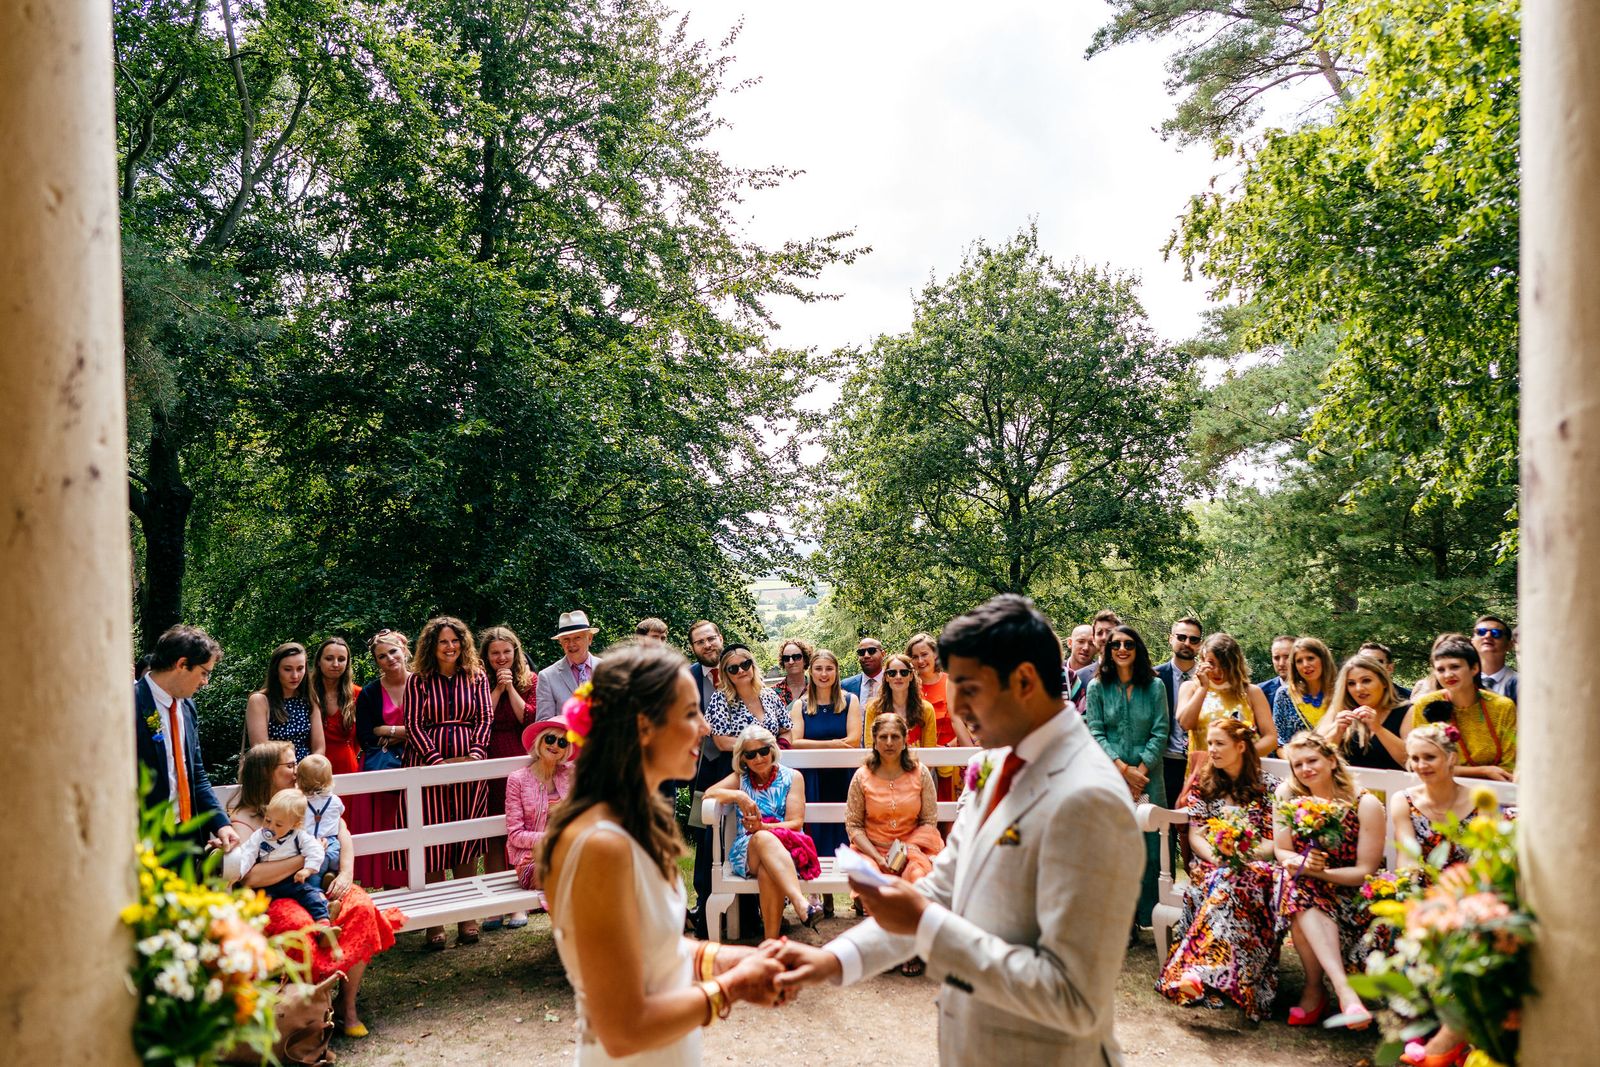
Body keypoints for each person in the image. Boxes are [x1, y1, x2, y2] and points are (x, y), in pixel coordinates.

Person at [775, 594, 1144, 1065]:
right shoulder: (992, 763)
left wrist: (927, 928)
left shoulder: (1088, 798)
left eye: (968, 688)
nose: (955, 704)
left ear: (1025, 680)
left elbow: (1073, 997)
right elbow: (942, 887)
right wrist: (833, 960)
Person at [540, 641, 785, 1063]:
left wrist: (733, 957)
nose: (705, 728)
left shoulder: (634, 819)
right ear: (644, 725)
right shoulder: (600, 846)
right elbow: (621, 1029)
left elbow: (656, 948)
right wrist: (734, 987)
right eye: (691, 713)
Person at [228, 741, 400, 1039]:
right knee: (302, 928)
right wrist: (304, 859)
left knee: (359, 906)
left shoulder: (304, 800)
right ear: (267, 772)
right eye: (290, 766)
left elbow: (341, 830)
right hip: (277, 895)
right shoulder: (246, 818)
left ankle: (348, 1009)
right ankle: (314, 1015)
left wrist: (346, 872)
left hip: (321, 882)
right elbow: (250, 877)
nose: (297, 772)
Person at [1157, 719, 1281, 1021]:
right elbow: (1197, 834)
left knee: (1231, 882)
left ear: (1241, 746)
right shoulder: (1204, 785)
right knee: (1224, 882)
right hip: (1212, 865)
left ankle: (1198, 974)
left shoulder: (1269, 788)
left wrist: (1240, 855)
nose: (1211, 750)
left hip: (1256, 869)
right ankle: (1213, 977)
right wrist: (1218, 855)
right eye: (1209, 743)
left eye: (1218, 744)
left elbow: (1272, 841)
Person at [1273, 731, 1384, 1030]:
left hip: (1351, 891)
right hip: (1305, 883)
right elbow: (1281, 849)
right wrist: (1297, 861)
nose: (1305, 769)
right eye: (1298, 765)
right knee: (1299, 887)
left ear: (1332, 761)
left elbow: (1366, 871)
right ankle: (1344, 992)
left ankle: (1316, 989)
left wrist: (1318, 872)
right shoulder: (1287, 796)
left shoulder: (1365, 804)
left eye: (1313, 761)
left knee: (1300, 894)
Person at [405, 615, 494, 949]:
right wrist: (436, 762)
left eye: (455, 641)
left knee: (465, 842)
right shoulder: (418, 681)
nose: (450, 647)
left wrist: (474, 755)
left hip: (469, 770)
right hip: (428, 770)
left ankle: (468, 917)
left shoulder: (476, 677)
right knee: (432, 846)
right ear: (432, 645)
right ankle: (435, 920)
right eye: (443, 641)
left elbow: (485, 717)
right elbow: (413, 725)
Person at [1391, 724, 1476, 1067]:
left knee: (1462, 932)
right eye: (1415, 758)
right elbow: (1409, 855)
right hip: (1426, 886)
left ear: (1450, 758)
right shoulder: (1405, 800)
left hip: (1468, 890)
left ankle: (1450, 1030)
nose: (1421, 765)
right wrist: (1414, 893)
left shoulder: (1477, 801)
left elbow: (1482, 863)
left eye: (1430, 757)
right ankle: (1413, 1025)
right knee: (1406, 925)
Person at [1085, 624, 1171, 932]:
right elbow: (1095, 730)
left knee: (1149, 848)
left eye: (1129, 645)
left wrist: (1141, 771)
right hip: (1111, 777)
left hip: (1149, 778)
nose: (1122, 649)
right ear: (1107, 650)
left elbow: (1162, 730)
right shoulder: (1097, 686)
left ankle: (1149, 916)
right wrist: (1123, 770)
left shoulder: (1155, 687)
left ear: (1138, 650)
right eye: (1115, 645)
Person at [845, 712, 944, 975]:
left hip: (912, 845)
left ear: (905, 740)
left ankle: (913, 948)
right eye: (883, 737)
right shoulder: (862, 776)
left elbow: (929, 820)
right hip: (871, 848)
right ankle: (883, 950)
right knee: (872, 881)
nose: (889, 742)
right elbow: (854, 826)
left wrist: (906, 850)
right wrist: (878, 857)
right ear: (874, 741)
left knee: (918, 875)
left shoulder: (919, 772)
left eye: (895, 736)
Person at [705, 724, 821, 939]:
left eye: (763, 751)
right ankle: (800, 903)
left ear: (772, 750)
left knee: (768, 867)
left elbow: (795, 823)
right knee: (760, 838)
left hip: (785, 850)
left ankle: (771, 943)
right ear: (742, 758)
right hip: (748, 852)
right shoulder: (741, 779)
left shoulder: (792, 777)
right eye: (750, 754)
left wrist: (764, 828)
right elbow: (709, 794)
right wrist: (738, 796)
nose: (758, 758)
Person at [135, 624, 239, 850]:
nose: (205, 681)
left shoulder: (187, 708)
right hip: (143, 838)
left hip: (186, 836)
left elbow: (196, 773)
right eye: (204, 672)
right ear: (182, 664)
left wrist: (222, 824)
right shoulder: (129, 704)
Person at [480, 624, 538, 930]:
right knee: (493, 833)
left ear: (515, 651)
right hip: (489, 757)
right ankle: (494, 906)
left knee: (521, 829)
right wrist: (497, 689)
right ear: (486, 656)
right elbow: (481, 719)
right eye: (495, 653)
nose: (501, 658)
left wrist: (510, 687)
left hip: (519, 756)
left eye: (506, 652)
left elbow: (527, 718)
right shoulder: (478, 681)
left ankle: (519, 904)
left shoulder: (531, 679)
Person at [787, 648, 861, 875]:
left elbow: (854, 740)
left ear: (837, 672)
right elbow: (795, 741)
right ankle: (820, 894)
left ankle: (856, 890)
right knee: (816, 831)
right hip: (812, 777)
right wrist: (833, 744)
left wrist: (830, 744)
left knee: (847, 831)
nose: (824, 674)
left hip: (844, 776)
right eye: (818, 669)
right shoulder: (800, 705)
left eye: (829, 669)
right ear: (811, 672)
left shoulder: (850, 700)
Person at [1405, 635, 1517, 780]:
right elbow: (1423, 762)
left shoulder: (1502, 706)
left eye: (1455, 667)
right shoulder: (1425, 704)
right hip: (1442, 788)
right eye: (1440, 670)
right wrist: (1483, 771)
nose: (1448, 674)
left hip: (1494, 790)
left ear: (1475, 668)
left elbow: (1509, 765)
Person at [1174, 633, 1277, 787]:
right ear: (1202, 661)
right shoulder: (1190, 688)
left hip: (1243, 776)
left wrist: (1239, 757)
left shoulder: (1251, 692)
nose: (1217, 671)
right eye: (1211, 663)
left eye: (1224, 665)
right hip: (1203, 777)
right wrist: (1203, 688)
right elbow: (1185, 723)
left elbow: (1271, 738)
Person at [353, 628, 410, 889]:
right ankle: (391, 893)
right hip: (382, 769)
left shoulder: (423, 684)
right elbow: (366, 735)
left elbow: (431, 727)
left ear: (404, 651)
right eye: (381, 656)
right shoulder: (370, 693)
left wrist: (387, 730)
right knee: (387, 831)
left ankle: (422, 891)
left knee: (416, 826)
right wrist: (406, 732)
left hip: (418, 765)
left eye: (393, 652)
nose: (389, 659)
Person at [685, 620, 727, 938]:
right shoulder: (686, 677)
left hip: (744, 763)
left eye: (711, 638)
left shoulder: (740, 665)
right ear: (693, 648)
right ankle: (704, 904)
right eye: (700, 642)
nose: (707, 645)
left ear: (720, 638)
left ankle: (750, 906)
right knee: (705, 834)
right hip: (703, 768)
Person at [505, 718, 574, 908]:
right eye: (550, 739)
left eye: (562, 742)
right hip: (531, 860)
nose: (554, 746)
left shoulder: (571, 774)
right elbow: (515, 835)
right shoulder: (518, 780)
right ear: (540, 740)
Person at [241, 788, 330, 921]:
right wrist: (238, 872)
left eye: (279, 824)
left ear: (295, 825)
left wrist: (307, 870)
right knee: (257, 905)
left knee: (308, 894)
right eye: (268, 820)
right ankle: (261, 929)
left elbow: (316, 850)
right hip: (267, 883)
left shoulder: (299, 836)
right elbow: (247, 853)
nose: (270, 827)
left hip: (291, 881)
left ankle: (323, 920)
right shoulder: (259, 836)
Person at [907, 631, 972, 804]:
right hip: (918, 760)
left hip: (952, 758)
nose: (920, 661)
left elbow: (965, 722)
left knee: (950, 814)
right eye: (915, 657)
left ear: (935, 654)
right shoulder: (907, 686)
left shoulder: (951, 682)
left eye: (924, 654)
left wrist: (946, 747)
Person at [1319, 654, 1411, 770]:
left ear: (1384, 682)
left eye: (1366, 681)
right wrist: (1336, 732)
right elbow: (1316, 760)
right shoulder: (1339, 710)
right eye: (1351, 683)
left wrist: (1378, 729)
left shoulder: (1406, 711)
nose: (1359, 688)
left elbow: (1411, 761)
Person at [1155, 617, 1203, 821]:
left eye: (1194, 639)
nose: (1187, 643)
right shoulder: (1155, 676)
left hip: (1200, 763)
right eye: (1182, 637)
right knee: (1165, 826)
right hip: (1166, 762)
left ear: (1200, 644)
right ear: (1170, 639)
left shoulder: (1209, 677)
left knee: (1199, 823)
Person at [246, 641, 323, 761]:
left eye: (300, 668)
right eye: (288, 669)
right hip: (273, 771)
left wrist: (309, 770)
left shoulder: (310, 699)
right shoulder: (260, 700)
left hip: (306, 771)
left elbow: (319, 748)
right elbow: (260, 750)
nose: (295, 675)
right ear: (276, 670)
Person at [704, 644, 792, 746]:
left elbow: (786, 730)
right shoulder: (721, 698)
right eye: (733, 669)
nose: (741, 671)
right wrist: (763, 747)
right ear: (726, 674)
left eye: (745, 664)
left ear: (752, 666)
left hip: (772, 760)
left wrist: (781, 748)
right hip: (737, 760)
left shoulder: (770, 695)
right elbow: (722, 742)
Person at [1271, 636, 1337, 750]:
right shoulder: (1285, 695)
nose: (1305, 665)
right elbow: (1279, 742)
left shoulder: (1341, 693)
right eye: (1299, 661)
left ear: (1323, 660)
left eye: (1310, 658)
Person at [861, 651, 938, 748]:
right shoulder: (874, 708)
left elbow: (930, 749)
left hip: (918, 762)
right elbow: (870, 747)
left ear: (911, 676)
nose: (898, 677)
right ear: (886, 677)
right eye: (892, 673)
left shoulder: (926, 709)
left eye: (904, 672)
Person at [537, 611, 602, 722]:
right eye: (566, 639)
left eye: (577, 637)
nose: (571, 644)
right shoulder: (547, 676)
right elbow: (544, 722)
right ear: (560, 642)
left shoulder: (608, 669)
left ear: (590, 638)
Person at [310, 637, 360, 774]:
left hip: (348, 766)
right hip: (313, 768)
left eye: (341, 659)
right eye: (329, 658)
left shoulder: (357, 694)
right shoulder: (306, 693)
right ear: (319, 662)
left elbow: (360, 739)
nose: (336, 664)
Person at [296, 753, 344, 884]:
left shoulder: (300, 802)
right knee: (332, 863)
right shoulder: (335, 800)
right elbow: (341, 811)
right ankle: (331, 873)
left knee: (314, 876)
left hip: (312, 845)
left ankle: (317, 888)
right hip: (333, 845)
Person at [1472, 614, 1518, 703]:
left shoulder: (1522, 684)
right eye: (1481, 632)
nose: (1487, 636)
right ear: (1472, 642)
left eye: (1496, 633)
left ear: (1509, 645)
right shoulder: (1462, 682)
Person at [841, 636, 886, 709]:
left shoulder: (894, 682)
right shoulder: (846, 686)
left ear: (883, 654)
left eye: (871, 651)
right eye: (861, 652)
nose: (866, 655)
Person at [1064, 623, 1098, 712]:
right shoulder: (1055, 672)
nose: (1086, 648)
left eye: (1091, 643)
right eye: (1081, 641)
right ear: (1070, 643)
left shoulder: (1101, 675)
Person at [771, 638, 812, 708]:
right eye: (786, 658)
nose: (791, 662)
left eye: (796, 657)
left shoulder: (817, 688)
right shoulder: (772, 693)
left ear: (805, 660)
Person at [1260, 635, 1296, 707]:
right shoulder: (1261, 692)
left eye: (1287, 657)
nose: (1281, 663)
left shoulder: (1315, 690)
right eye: (1276, 658)